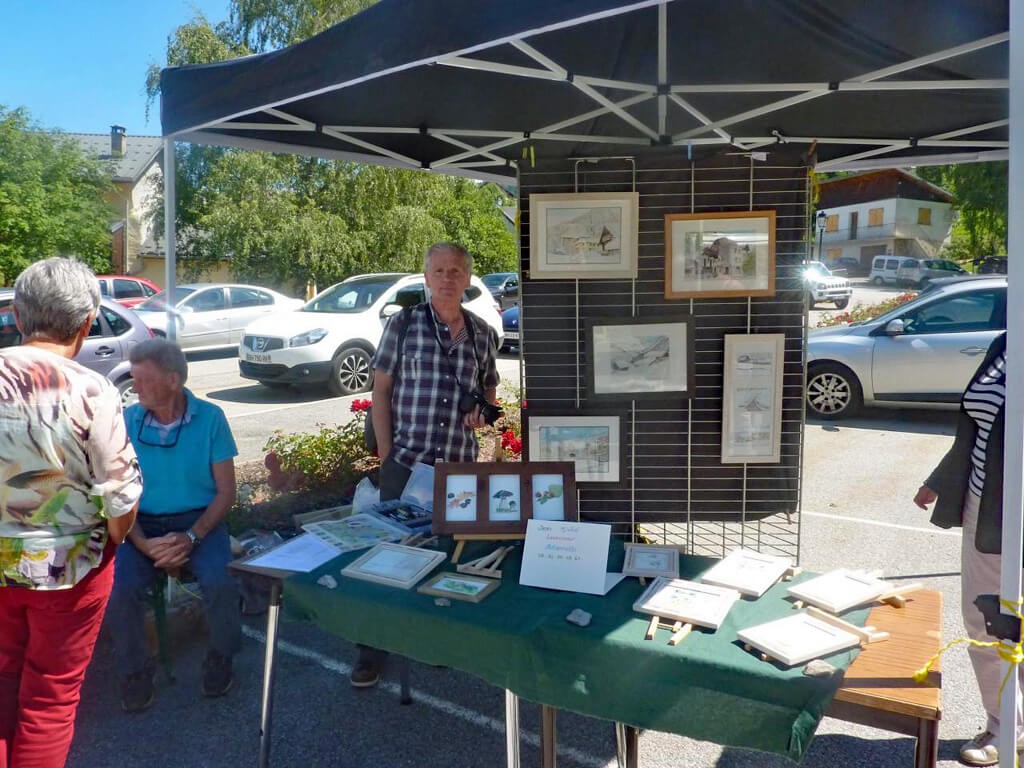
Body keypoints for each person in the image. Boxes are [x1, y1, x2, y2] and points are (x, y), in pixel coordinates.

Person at [0, 257, 142, 768]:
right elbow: (120, 495)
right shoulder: (92, 389)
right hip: (71, 569)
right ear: (86, 324)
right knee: (48, 700)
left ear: (17, 316)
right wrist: (117, 539)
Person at [356, 241, 500, 688]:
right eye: (439, 271)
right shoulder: (402, 325)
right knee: (387, 558)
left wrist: (483, 413)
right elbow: (380, 392)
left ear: (467, 278)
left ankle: (432, 639)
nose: (447, 278)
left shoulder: (482, 334)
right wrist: (385, 454)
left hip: (456, 468)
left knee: (445, 555)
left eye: (456, 271)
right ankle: (371, 648)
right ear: (426, 276)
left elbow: (489, 394)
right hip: (405, 460)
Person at [107, 337, 241, 712]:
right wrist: (143, 544)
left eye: (143, 380)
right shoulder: (128, 419)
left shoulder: (210, 417)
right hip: (140, 522)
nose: (135, 388)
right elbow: (118, 494)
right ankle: (135, 669)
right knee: (118, 589)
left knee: (219, 580)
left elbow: (226, 493)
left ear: (172, 381)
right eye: (132, 379)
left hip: (200, 520)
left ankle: (221, 655)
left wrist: (191, 536)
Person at [913, 330, 1017, 767]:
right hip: (984, 508)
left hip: (1017, 509)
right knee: (989, 619)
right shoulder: (1005, 344)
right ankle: (1003, 724)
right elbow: (976, 426)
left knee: (1017, 621)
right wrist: (939, 480)